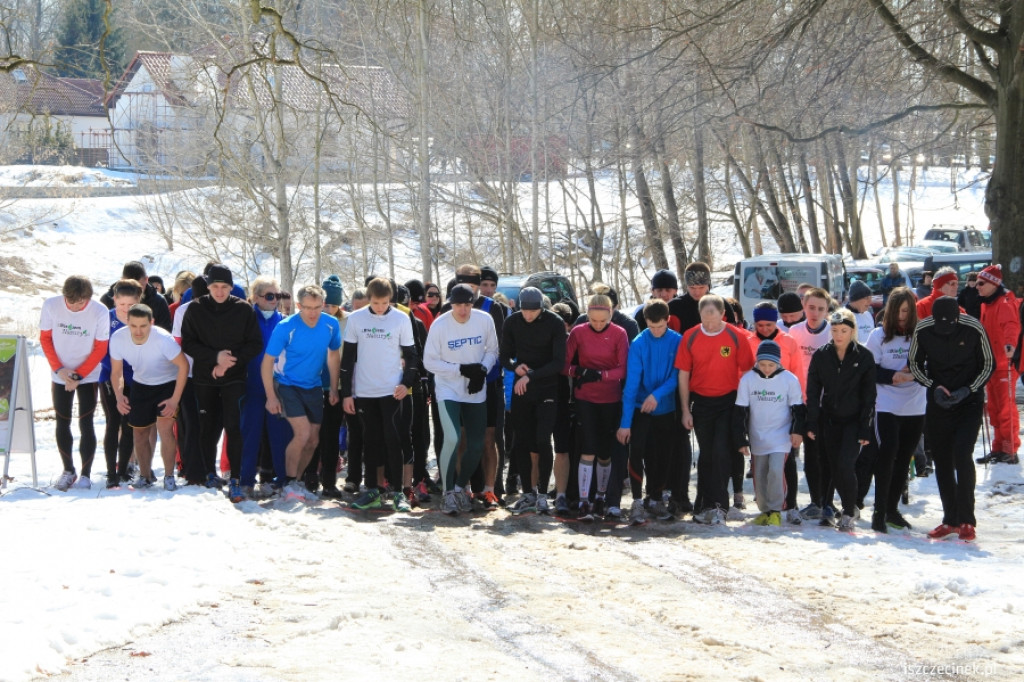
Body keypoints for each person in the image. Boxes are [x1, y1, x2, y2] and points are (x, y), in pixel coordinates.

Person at [909, 297, 995, 541]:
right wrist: (933, 386)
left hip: (969, 400)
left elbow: (988, 364)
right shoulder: (923, 329)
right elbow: (914, 365)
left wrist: (968, 389)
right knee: (943, 458)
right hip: (938, 400)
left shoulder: (973, 327)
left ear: (958, 317)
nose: (945, 327)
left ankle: (967, 520)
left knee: (962, 454)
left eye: (950, 323)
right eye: (940, 324)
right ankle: (951, 519)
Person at [181, 264, 264, 501]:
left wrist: (228, 363)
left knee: (233, 426)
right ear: (208, 287)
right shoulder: (196, 309)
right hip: (205, 378)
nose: (219, 292)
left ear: (231, 287)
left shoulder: (243, 310)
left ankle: (235, 479)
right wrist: (214, 359)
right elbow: (188, 343)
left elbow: (254, 344)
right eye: (215, 287)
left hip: (234, 378)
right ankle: (209, 472)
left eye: (224, 287)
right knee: (207, 426)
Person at [341, 277, 420, 512]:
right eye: (375, 303)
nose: (380, 307)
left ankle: (398, 492)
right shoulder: (355, 319)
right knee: (371, 440)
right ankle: (373, 490)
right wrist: (347, 393)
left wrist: (406, 384)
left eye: (385, 303)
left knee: (394, 439)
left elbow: (412, 355)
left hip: (392, 390)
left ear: (390, 300)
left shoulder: (401, 318)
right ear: (368, 298)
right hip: (365, 391)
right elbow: (348, 360)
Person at [675, 294, 755, 524]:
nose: (709, 323)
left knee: (721, 452)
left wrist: (744, 408)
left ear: (722, 314)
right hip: (701, 402)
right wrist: (685, 410)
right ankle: (703, 504)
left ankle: (720, 506)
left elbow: (748, 373)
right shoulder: (690, 337)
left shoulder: (735, 336)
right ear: (699, 314)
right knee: (706, 454)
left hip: (729, 402)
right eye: (704, 318)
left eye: (714, 317)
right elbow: (683, 374)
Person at [423, 284, 499, 515]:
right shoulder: (440, 325)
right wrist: (461, 369)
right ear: (451, 304)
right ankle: (447, 494)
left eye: (467, 304)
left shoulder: (484, 320)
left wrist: (482, 371)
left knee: (476, 444)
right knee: (454, 437)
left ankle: (459, 489)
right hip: (448, 389)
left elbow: (493, 350)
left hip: (476, 389)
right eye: (458, 305)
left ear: (473, 303)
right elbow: (429, 362)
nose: (463, 310)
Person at [263, 284, 342, 503]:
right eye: (308, 307)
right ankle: (288, 482)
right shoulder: (286, 326)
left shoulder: (331, 324)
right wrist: (270, 395)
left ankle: (296, 482)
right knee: (303, 433)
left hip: (314, 386)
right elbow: (267, 361)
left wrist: (334, 388)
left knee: (313, 440)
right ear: (299, 306)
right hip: (287, 384)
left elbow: (334, 355)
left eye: (318, 307)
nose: (313, 312)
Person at [805, 308, 877, 532]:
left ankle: (849, 510)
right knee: (827, 464)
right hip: (828, 418)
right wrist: (812, 421)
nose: (838, 335)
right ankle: (826, 505)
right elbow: (813, 391)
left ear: (853, 331)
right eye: (835, 330)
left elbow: (869, 396)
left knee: (845, 464)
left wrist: (866, 427)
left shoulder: (864, 356)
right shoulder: (821, 355)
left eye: (844, 331)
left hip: (854, 420)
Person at [40, 275, 110, 491]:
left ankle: (86, 475)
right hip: (60, 372)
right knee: (62, 421)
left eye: (82, 302)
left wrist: (78, 376)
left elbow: (101, 347)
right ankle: (68, 470)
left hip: (87, 374)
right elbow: (45, 339)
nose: (77, 306)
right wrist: (61, 371)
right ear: (65, 297)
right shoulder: (51, 305)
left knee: (86, 422)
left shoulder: (99, 311)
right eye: (72, 302)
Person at [500, 287, 567, 514]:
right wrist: (515, 366)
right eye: (525, 311)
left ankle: (541, 493)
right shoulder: (512, 323)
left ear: (541, 308)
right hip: (522, 389)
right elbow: (504, 355)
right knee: (522, 440)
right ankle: (527, 492)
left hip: (546, 386)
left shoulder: (554, 323)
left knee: (542, 439)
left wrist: (530, 375)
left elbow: (558, 362)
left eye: (533, 311)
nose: (528, 315)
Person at [109, 304, 189, 490]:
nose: (138, 331)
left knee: (165, 427)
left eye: (143, 326)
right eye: (133, 326)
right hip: (141, 384)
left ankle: (169, 476)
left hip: (167, 383)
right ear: (127, 322)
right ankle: (145, 476)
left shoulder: (163, 339)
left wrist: (174, 399)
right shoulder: (118, 338)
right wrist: (119, 396)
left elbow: (184, 366)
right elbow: (116, 373)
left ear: (151, 323)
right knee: (139, 431)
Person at [865, 288, 925, 533]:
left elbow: (929, 365)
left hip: (915, 405)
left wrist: (915, 373)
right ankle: (879, 511)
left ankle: (892, 510)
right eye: (899, 310)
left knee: (904, 458)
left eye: (907, 311)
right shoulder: (877, 336)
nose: (903, 315)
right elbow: (870, 371)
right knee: (887, 454)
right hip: (887, 404)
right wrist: (893, 376)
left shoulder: (920, 335)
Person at [565, 294, 629, 520]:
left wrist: (601, 375)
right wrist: (580, 371)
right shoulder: (578, 332)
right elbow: (565, 364)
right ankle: (584, 500)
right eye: (593, 320)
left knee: (605, 451)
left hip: (611, 399)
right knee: (588, 448)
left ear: (611, 315)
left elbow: (622, 369)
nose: (598, 325)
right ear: (587, 315)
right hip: (586, 398)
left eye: (603, 321)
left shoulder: (619, 334)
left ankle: (601, 496)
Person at [618, 300, 682, 524]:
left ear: (668, 320)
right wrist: (625, 423)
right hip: (639, 407)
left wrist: (657, 395)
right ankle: (636, 500)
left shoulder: (677, 341)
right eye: (651, 327)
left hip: (665, 408)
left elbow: (677, 376)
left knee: (662, 456)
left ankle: (655, 498)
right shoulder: (638, 343)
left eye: (660, 327)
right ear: (646, 322)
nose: (656, 331)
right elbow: (631, 384)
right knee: (637, 452)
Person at [733, 340, 805, 527]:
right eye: (762, 364)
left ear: (778, 363)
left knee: (775, 470)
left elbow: (798, 409)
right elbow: (740, 411)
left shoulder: (789, 380)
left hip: (780, 437)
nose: (766, 368)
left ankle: (776, 510)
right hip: (758, 437)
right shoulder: (748, 379)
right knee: (760, 473)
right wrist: (741, 439)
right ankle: (764, 509)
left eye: (771, 365)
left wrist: (797, 432)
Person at [747, 302, 804, 523]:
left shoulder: (788, 341)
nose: (765, 328)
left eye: (769, 324)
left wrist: (801, 409)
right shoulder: (749, 341)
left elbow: (798, 373)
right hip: (759, 409)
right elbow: (745, 372)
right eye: (760, 325)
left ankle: (791, 504)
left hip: (784, 409)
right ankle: (767, 506)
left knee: (786, 460)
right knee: (761, 463)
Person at [238, 276, 291, 497]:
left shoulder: (285, 321)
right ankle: (246, 480)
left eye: (277, 295)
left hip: (278, 388)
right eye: (269, 296)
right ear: (256, 298)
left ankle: (283, 481)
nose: (274, 300)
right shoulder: (247, 319)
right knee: (250, 436)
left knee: (280, 437)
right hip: (252, 388)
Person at [786, 288, 833, 521]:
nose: (815, 313)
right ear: (804, 306)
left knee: (824, 454)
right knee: (807, 455)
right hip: (800, 402)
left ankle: (826, 502)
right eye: (811, 307)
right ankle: (814, 500)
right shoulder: (794, 331)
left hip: (826, 404)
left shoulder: (833, 333)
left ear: (827, 310)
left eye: (821, 309)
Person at [303, 276, 348, 498]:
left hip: (335, 386)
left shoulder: (346, 323)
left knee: (331, 434)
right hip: (311, 386)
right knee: (313, 433)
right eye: (325, 305)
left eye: (332, 305)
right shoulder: (310, 321)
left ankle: (329, 480)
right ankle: (310, 475)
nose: (328, 309)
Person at [98, 279, 143, 488]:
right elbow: (101, 352)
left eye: (130, 305)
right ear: (114, 300)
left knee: (129, 425)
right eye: (121, 304)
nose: (125, 310)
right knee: (113, 421)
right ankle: (110, 472)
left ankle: (124, 470)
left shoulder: (143, 319)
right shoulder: (106, 319)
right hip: (110, 377)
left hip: (135, 378)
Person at [974, 265, 1020, 465]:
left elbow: (1011, 325)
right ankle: (998, 447)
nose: (977, 287)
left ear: (993, 283)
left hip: (1004, 363)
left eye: (981, 283)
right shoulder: (987, 304)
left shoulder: (1004, 302)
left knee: (1005, 409)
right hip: (991, 364)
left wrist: (1010, 345)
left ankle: (1010, 449)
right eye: (976, 283)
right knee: (993, 408)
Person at [100, 260, 173, 332]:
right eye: (129, 287)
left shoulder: (158, 301)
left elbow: (165, 331)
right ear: (122, 280)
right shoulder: (108, 299)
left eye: (140, 286)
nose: (135, 292)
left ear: (146, 280)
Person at [575, 284, 639, 341]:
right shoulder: (582, 321)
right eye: (594, 320)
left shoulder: (628, 325)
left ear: (616, 307)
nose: (598, 325)